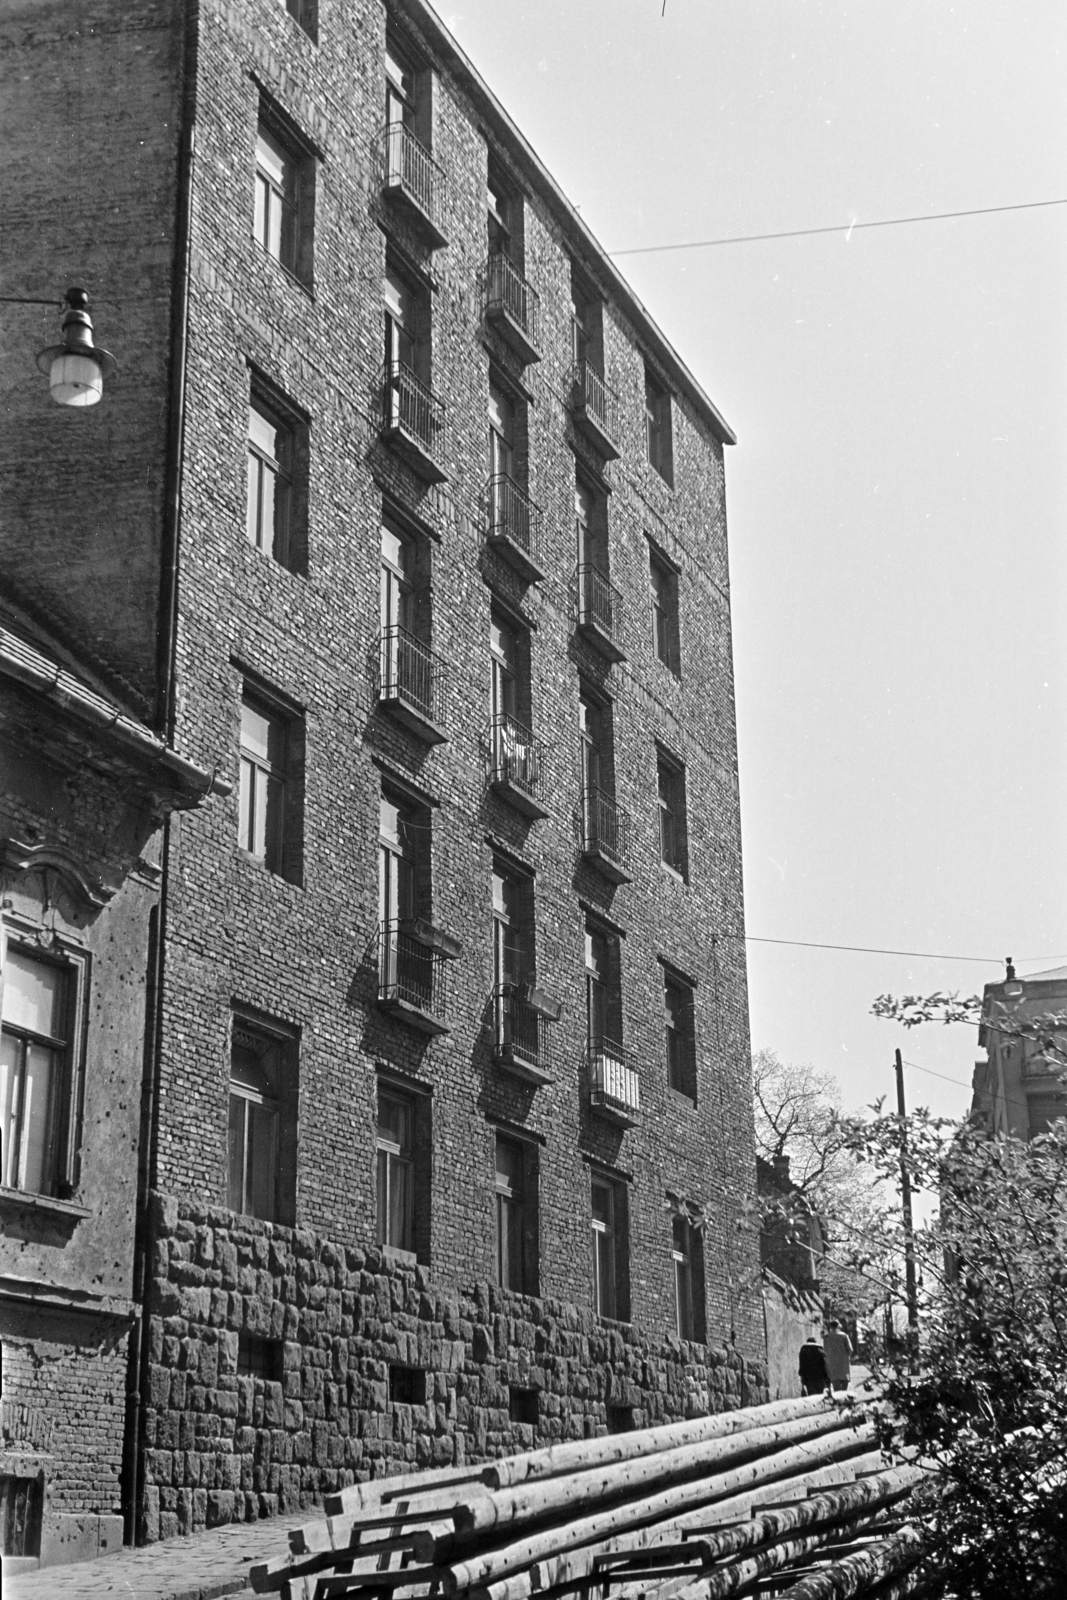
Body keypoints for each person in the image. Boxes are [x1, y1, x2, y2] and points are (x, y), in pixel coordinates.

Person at [823, 1318, 853, 1391]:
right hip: (843, 1361)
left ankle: (838, 1400)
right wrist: (847, 1356)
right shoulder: (844, 1335)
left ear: (830, 1326)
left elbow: (825, 1350)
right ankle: (844, 1398)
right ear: (838, 1326)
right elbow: (850, 1349)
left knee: (835, 1382)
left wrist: (828, 1359)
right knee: (844, 1381)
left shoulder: (827, 1336)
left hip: (832, 1362)